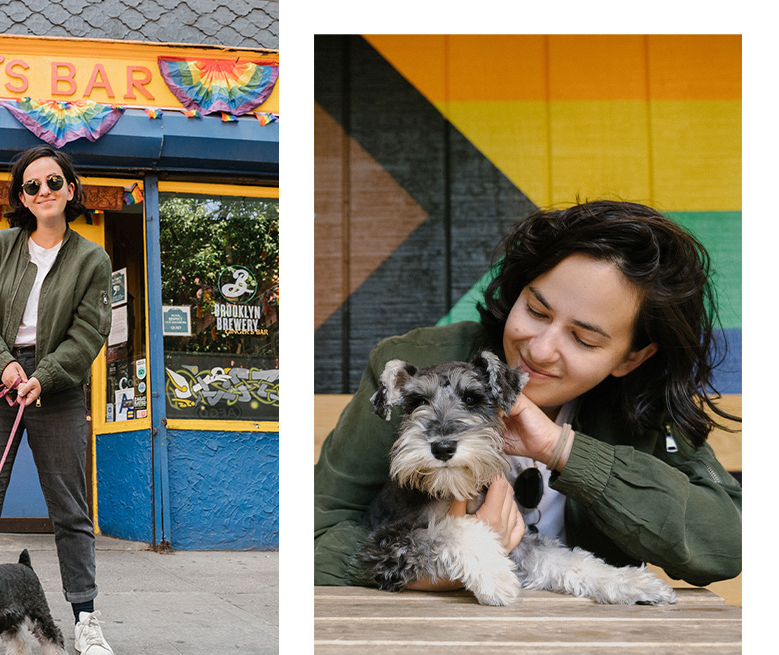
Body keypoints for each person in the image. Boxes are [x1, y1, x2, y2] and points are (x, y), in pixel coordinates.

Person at [315, 200, 742, 591]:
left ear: (631, 358)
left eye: (583, 339)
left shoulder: (644, 402)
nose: (537, 349)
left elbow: (727, 544)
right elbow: (317, 532)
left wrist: (565, 451)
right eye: (536, 311)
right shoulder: (415, 363)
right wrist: (434, 572)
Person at [0, 145, 116, 655]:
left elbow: (90, 331)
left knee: (71, 508)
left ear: (70, 189)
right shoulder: (1, 246)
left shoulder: (93, 258)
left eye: (53, 182)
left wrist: (44, 376)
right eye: (31, 186)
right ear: (21, 197)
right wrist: (4, 365)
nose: (43, 191)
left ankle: (85, 619)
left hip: (59, 386)